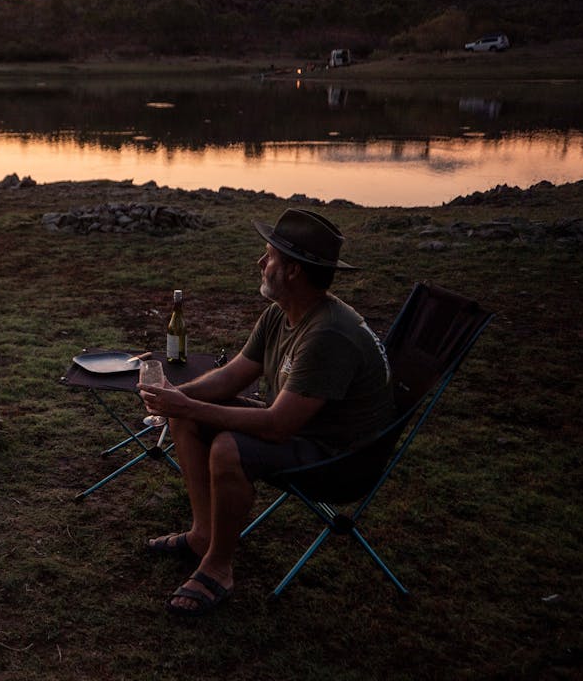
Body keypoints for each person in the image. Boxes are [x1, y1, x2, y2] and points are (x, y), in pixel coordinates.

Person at [137, 208, 396, 617]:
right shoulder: (282, 312)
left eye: (268, 256)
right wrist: (176, 397)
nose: (260, 263)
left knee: (227, 447)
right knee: (187, 417)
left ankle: (219, 567)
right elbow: (232, 376)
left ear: (292, 271)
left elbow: (277, 426)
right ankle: (204, 536)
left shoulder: (328, 334)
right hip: (305, 431)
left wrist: (187, 404)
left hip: (340, 458)